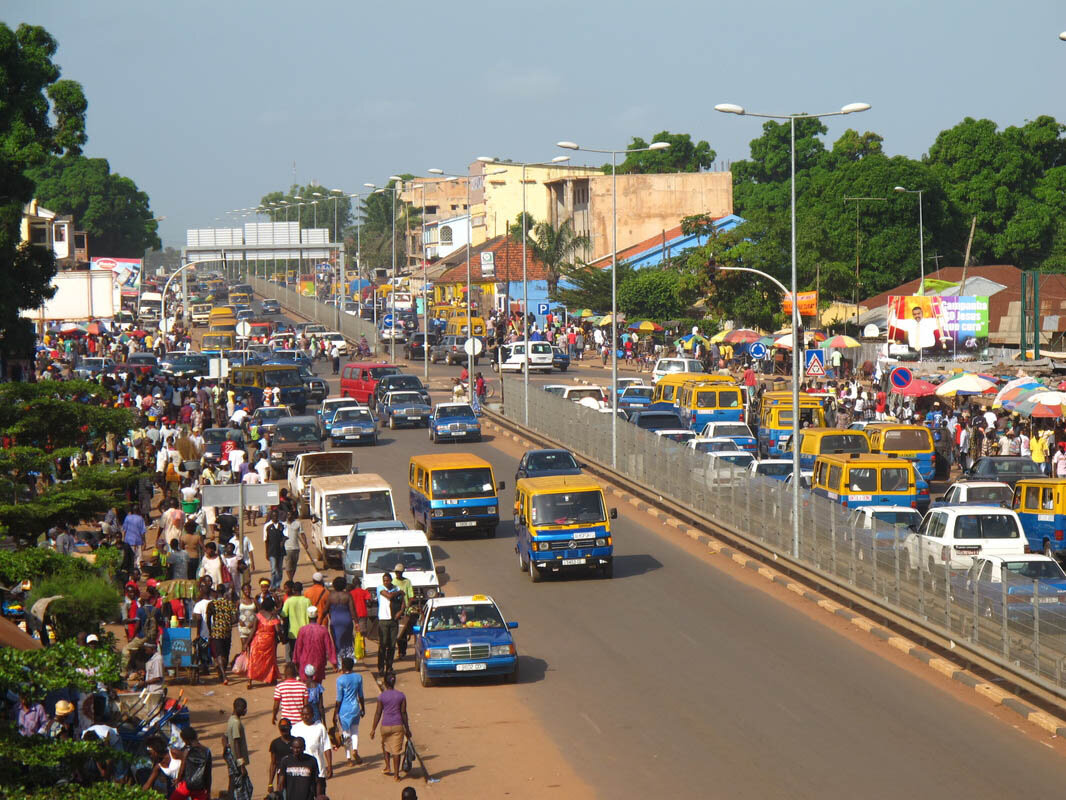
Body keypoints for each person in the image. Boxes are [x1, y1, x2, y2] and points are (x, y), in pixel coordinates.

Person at [370, 671, 412, 781]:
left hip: (385, 725)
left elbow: (378, 713)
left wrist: (373, 729)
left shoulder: (381, 697)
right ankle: (396, 775)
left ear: (384, 682)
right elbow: (403, 713)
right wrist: (407, 729)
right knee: (396, 751)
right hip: (398, 725)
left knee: (385, 745)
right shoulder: (401, 696)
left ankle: (388, 767)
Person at [290, 702, 332, 795]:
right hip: (302, 772)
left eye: (307, 714)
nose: (305, 717)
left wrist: (329, 765)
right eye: (303, 714)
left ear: (313, 715)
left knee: (320, 795)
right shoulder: (295, 729)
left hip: (318, 771)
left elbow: (327, 747)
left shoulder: (320, 727)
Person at [333, 656, 366, 765]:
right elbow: (361, 695)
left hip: (344, 710)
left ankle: (348, 759)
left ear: (343, 666)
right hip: (355, 708)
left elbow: (338, 699)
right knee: (355, 731)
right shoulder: (358, 677)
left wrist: (335, 713)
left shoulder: (340, 680)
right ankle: (355, 750)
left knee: (346, 733)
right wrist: (363, 708)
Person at [293, 605, 336, 682]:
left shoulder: (302, 630)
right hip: (319, 661)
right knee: (318, 684)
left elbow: (298, 648)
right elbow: (329, 647)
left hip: (305, 661)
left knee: (305, 685)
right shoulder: (323, 630)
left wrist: (296, 661)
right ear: (317, 617)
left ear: (308, 617)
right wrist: (334, 662)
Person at [246, 595, 281, 689]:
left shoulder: (258, 616)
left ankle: (250, 681)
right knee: (269, 661)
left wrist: (246, 643)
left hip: (257, 641)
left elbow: (253, 630)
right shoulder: (273, 617)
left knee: (254, 661)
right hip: (269, 643)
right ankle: (271, 678)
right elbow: (278, 630)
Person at [171, 726, 211, 800]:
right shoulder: (207, 751)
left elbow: (182, 768)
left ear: (187, 740)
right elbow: (208, 773)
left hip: (187, 785)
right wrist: (208, 790)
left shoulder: (187, 751)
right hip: (200, 787)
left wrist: (178, 780)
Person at [208, 586, 237, 684]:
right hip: (227, 632)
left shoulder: (212, 604)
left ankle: (223, 675)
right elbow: (235, 618)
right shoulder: (229, 603)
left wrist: (210, 630)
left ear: (217, 592)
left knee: (219, 654)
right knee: (225, 653)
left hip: (216, 632)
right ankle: (222, 673)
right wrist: (227, 622)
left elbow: (208, 619)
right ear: (224, 592)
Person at [376, 572, 404, 674]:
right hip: (383, 620)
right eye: (384, 580)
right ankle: (380, 667)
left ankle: (389, 666)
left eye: (387, 580)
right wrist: (399, 592)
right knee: (382, 645)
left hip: (393, 620)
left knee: (392, 646)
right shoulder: (380, 588)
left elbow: (403, 602)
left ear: (391, 580)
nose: (385, 582)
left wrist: (400, 612)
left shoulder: (396, 588)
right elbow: (389, 596)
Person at [277, 734, 318, 800]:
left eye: (298, 748)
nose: (296, 750)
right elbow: (281, 782)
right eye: (294, 747)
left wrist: (318, 795)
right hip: (290, 797)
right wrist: (278, 795)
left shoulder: (311, 761)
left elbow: (316, 780)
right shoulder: (286, 761)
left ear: (304, 748)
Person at [327, 576, 357, 661]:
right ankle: (348, 661)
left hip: (335, 621)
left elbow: (325, 609)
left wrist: (320, 621)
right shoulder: (348, 595)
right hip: (347, 620)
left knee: (337, 641)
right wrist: (357, 622)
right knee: (348, 641)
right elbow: (352, 610)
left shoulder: (331, 596)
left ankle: (339, 662)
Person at [281, 582, 311, 663]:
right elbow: (310, 615)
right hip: (305, 631)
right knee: (305, 651)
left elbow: (283, 614)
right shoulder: (307, 601)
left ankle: (296, 668)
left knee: (294, 651)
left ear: (293, 590)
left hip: (293, 632)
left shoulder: (289, 601)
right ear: (301, 590)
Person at [272, 663, 309, 727]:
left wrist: (274, 716)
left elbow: (276, 706)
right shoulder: (303, 686)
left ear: (285, 674)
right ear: (295, 674)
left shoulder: (279, 687)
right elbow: (306, 705)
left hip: (286, 722)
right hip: (300, 721)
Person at [392, 563, 415, 659]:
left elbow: (411, 597)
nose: (398, 574)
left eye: (399, 572)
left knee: (403, 632)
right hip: (395, 610)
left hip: (405, 611)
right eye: (396, 572)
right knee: (396, 632)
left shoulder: (407, 582)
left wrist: (406, 607)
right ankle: (399, 650)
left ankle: (402, 651)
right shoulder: (393, 582)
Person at [266, 718, 294, 795]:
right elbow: (273, 763)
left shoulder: (296, 743)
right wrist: (270, 783)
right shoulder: (275, 743)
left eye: (286, 728)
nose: (284, 731)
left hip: (295, 777)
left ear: (290, 727)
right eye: (282, 729)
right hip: (281, 779)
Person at [263, 509, 286, 590]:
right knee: (273, 569)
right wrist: (266, 553)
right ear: (271, 516)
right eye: (273, 516)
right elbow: (265, 540)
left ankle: (278, 585)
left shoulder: (282, 525)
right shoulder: (267, 526)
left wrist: (283, 541)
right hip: (272, 551)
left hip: (281, 551)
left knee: (279, 569)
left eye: (276, 516)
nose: (275, 517)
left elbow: (286, 536)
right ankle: (273, 586)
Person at [283, 510, 309, 583]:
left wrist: (305, 543)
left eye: (290, 515)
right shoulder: (283, 525)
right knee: (288, 566)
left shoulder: (297, 523)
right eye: (287, 515)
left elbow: (302, 534)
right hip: (286, 548)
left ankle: (291, 579)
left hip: (296, 548)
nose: (289, 516)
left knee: (294, 565)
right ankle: (290, 580)